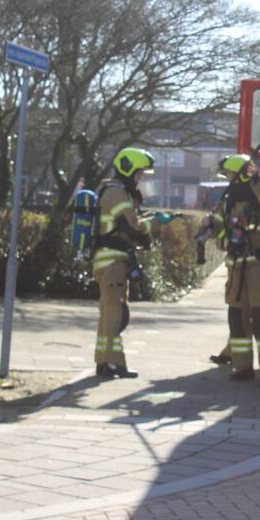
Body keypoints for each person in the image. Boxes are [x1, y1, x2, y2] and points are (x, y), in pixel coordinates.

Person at [92, 147, 173, 379]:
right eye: (139, 174)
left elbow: (129, 223)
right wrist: (157, 223)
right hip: (111, 260)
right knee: (114, 314)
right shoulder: (116, 193)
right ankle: (111, 364)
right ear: (127, 169)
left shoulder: (116, 191)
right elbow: (132, 227)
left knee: (111, 312)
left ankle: (107, 363)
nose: (141, 178)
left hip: (112, 259)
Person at [205, 154, 260, 383]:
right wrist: (226, 240)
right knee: (237, 319)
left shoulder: (258, 194)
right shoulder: (227, 201)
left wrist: (256, 179)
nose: (228, 179)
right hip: (236, 269)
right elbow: (218, 233)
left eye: (230, 175)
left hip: (259, 266)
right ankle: (242, 369)